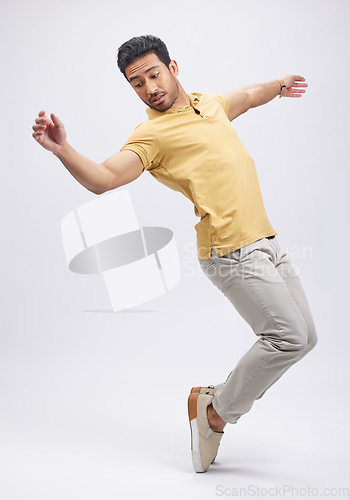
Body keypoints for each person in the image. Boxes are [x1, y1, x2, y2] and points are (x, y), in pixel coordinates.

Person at [32, 34, 318, 473]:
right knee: (288, 338)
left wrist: (278, 85)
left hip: (268, 241)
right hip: (231, 251)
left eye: (153, 74)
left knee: (305, 338)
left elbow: (246, 96)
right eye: (136, 83)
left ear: (173, 67)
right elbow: (106, 177)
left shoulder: (210, 104)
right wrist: (63, 150)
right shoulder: (152, 135)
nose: (149, 88)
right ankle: (214, 412)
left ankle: (214, 402)